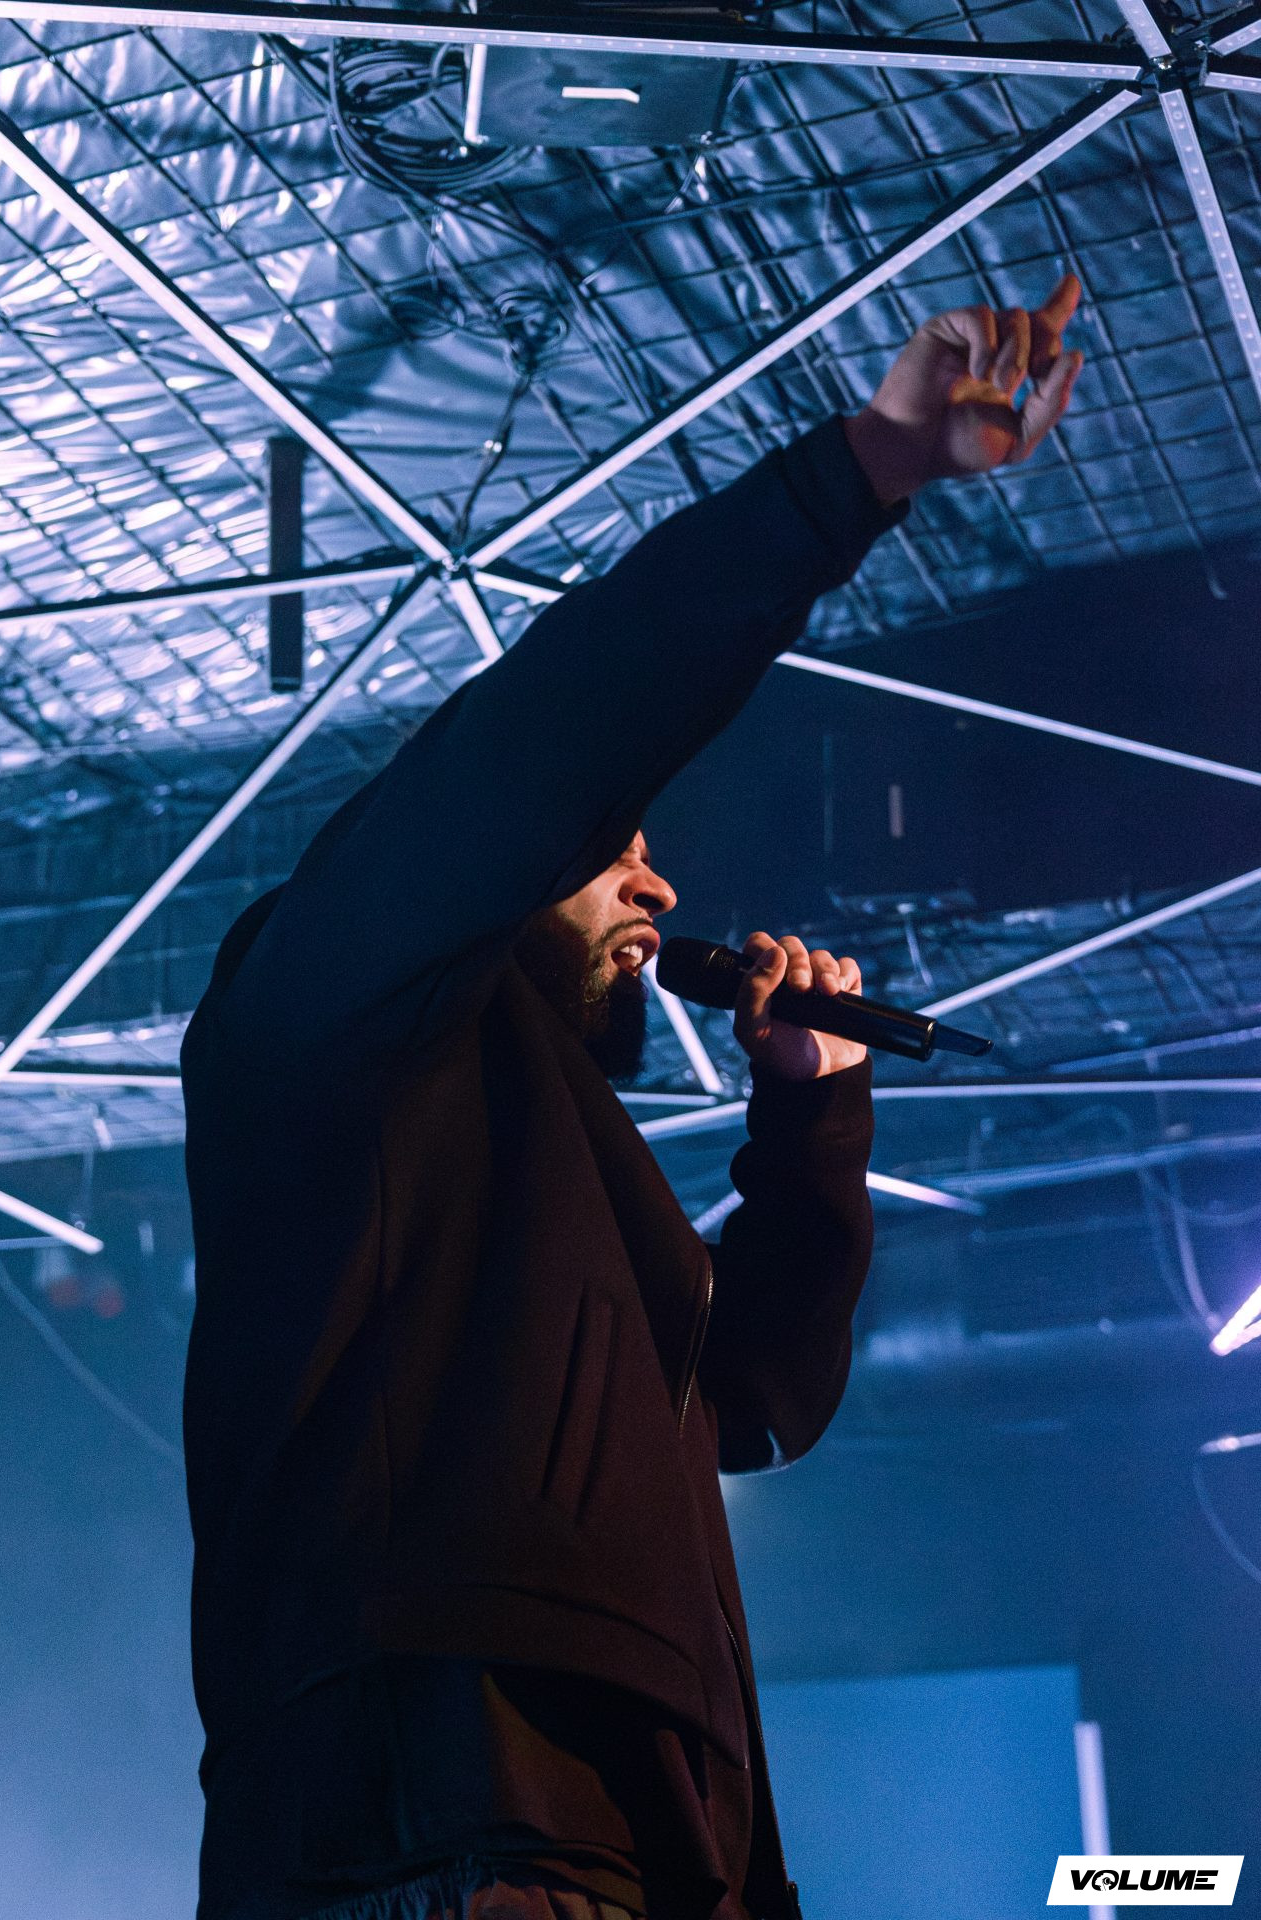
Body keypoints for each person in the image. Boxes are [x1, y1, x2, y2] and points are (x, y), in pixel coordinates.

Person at [181, 279, 1084, 1920]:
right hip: (444, 1821)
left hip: (662, 1845)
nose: (656, 885)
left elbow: (756, 1397)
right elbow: (552, 734)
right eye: (617, 849)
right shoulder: (323, 1009)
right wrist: (865, 465)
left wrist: (810, 1125)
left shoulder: (571, 1182)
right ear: (503, 865)